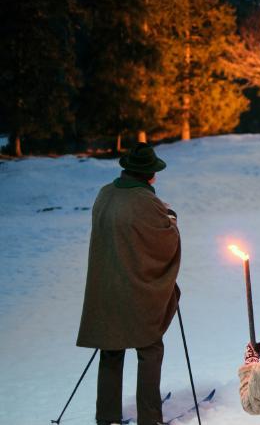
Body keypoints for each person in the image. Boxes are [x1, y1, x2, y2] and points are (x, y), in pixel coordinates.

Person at [77, 143, 181, 425]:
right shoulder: (145, 201)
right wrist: (170, 218)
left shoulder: (105, 194)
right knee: (150, 348)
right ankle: (149, 417)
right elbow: (164, 241)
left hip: (105, 290)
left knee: (111, 349)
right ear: (149, 174)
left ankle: (106, 416)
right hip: (136, 291)